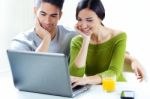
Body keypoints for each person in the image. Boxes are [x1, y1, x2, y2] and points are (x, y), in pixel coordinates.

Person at [9, 0, 145, 81]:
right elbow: (31, 74)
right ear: (35, 11)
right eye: (43, 14)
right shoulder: (20, 42)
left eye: (53, 15)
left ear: (60, 15)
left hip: (76, 89)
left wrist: (132, 59)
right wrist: (46, 39)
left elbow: (105, 49)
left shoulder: (71, 35)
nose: (47, 21)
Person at [69, 0, 144, 87]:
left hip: (116, 88)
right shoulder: (77, 42)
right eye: (79, 20)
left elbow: (113, 72)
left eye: (89, 20)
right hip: (93, 91)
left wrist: (86, 80)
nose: (83, 25)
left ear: (100, 17)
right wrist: (86, 40)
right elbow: (74, 76)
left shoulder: (119, 37)